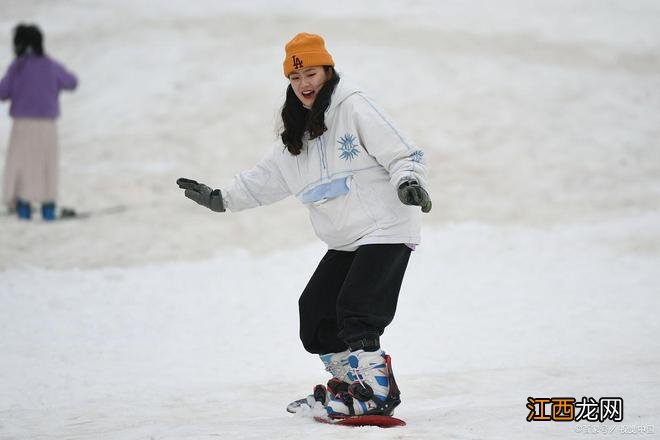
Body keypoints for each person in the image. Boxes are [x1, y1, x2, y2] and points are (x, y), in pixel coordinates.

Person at [177, 32, 431, 418]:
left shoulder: (354, 107)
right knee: (315, 311)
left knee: (357, 308)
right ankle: (350, 386)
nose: (304, 84)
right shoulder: (295, 132)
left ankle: (378, 392)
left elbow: (402, 151)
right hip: (346, 237)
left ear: (327, 71)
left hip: (386, 224)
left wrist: (408, 180)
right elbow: (266, 177)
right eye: (295, 79)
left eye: (311, 73)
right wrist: (222, 198)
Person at [0, 23, 78, 220]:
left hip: (22, 124)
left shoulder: (17, 67)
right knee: (46, 166)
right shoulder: (50, 65)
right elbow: (72, 82)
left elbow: (2, 92)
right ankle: (48, 209)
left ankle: (23, 208)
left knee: (22, 167)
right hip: (47, 125)